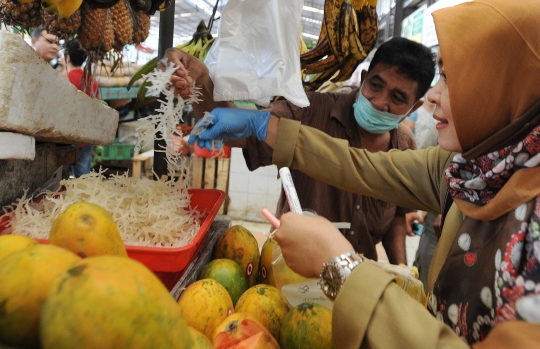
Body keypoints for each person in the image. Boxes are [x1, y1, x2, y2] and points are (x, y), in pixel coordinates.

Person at [185, 0, 540, 347]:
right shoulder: (467, 172)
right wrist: (261, 124)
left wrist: (341, 265)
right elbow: (361, 166)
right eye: (440, 75)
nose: (434, 96)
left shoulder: (528, 224)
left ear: (506, 87)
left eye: (452, 78)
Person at [165, 37, 434, 265]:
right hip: (288, 269)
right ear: (363, 78)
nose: (380, 102)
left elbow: (399, 215)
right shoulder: (311, 111)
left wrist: (401, 271)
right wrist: (201, 83)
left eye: (398, 99)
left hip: (356, 280)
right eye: (376, 85)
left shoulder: (405, 146)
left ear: (415, 106)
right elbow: (236, 125)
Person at [63, 40, 100, 177]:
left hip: (67, 137)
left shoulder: (65, 78)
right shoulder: (91, 79)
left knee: (63, 178)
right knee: (83, 176)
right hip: (86, 135)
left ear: (67, 57)